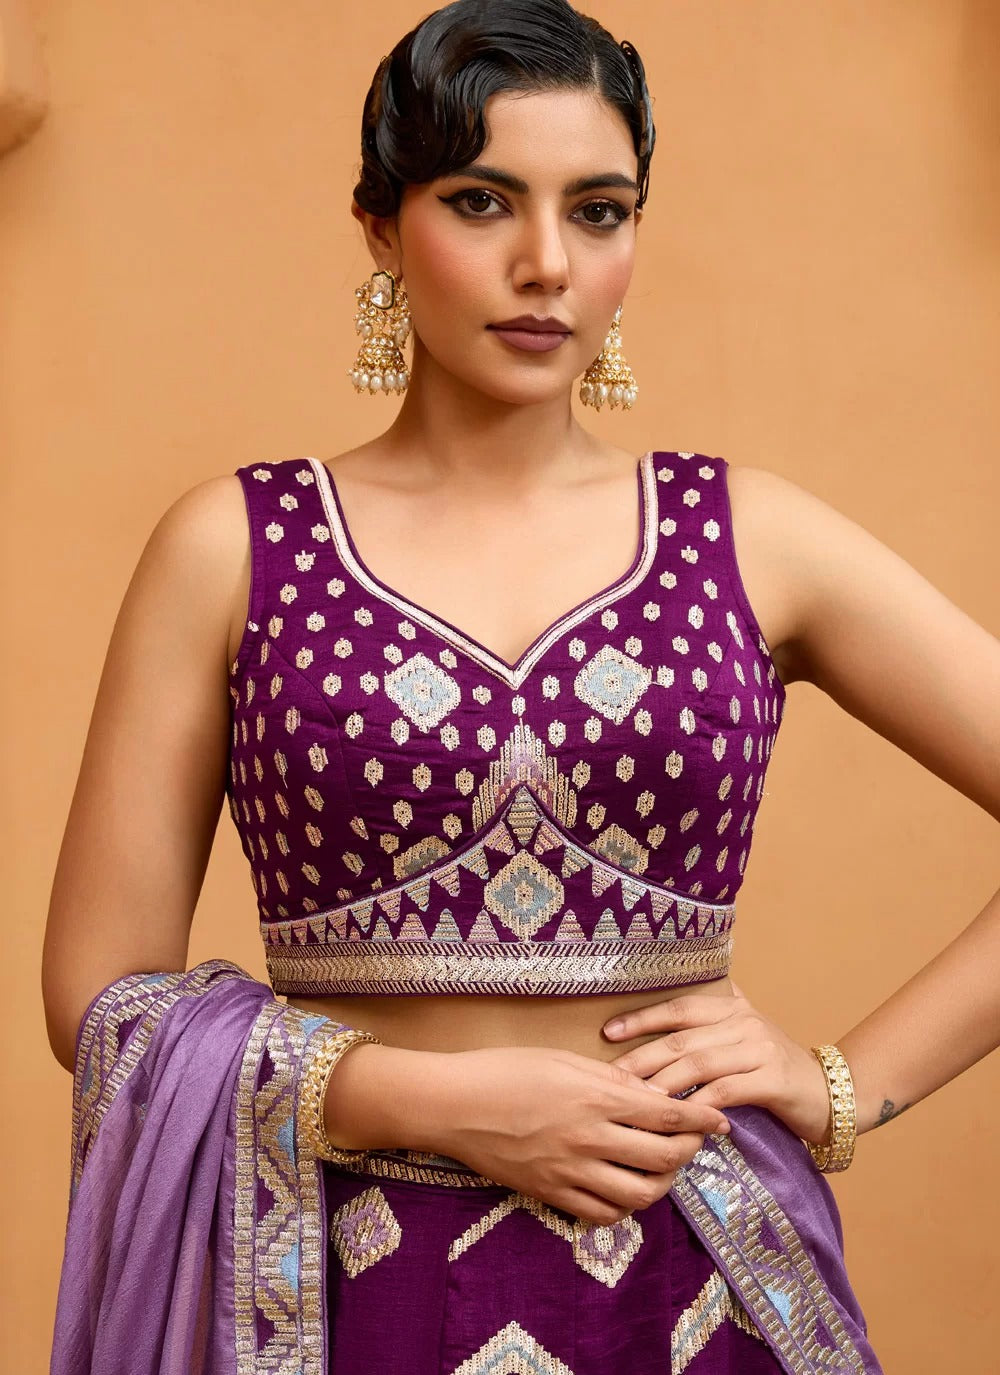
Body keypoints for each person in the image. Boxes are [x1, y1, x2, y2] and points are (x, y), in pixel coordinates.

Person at [43, 2, 1000, 1372]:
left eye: (599, 211)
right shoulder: (233, 548)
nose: (546, 264)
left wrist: (840, 1086)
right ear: (379, 226)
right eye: (482, 202)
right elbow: (100, 995)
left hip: (693, 1275)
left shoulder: (750, 536)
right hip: (333, 1281)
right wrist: (425, 1101)